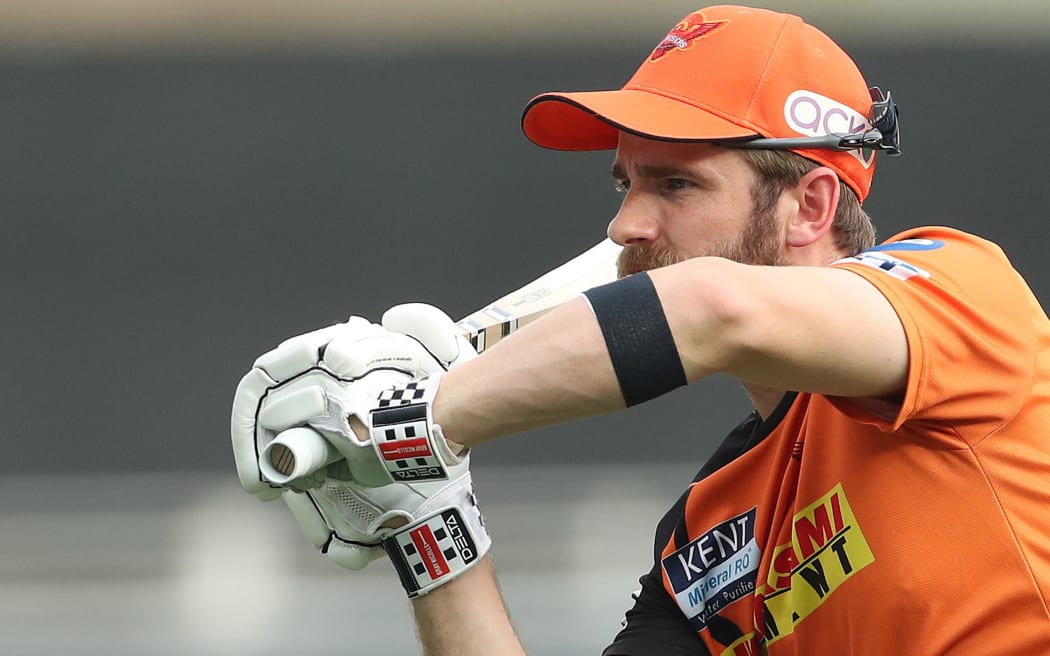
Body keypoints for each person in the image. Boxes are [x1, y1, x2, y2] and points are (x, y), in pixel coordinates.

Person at [231, 5, 1050, 655]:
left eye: (675, 184)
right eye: (625, 182)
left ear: (811, 206)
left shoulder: (956, 287)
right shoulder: (707, 532)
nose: (625, 223)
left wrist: (420, 418)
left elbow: (711, 313)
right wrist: (429, 523)